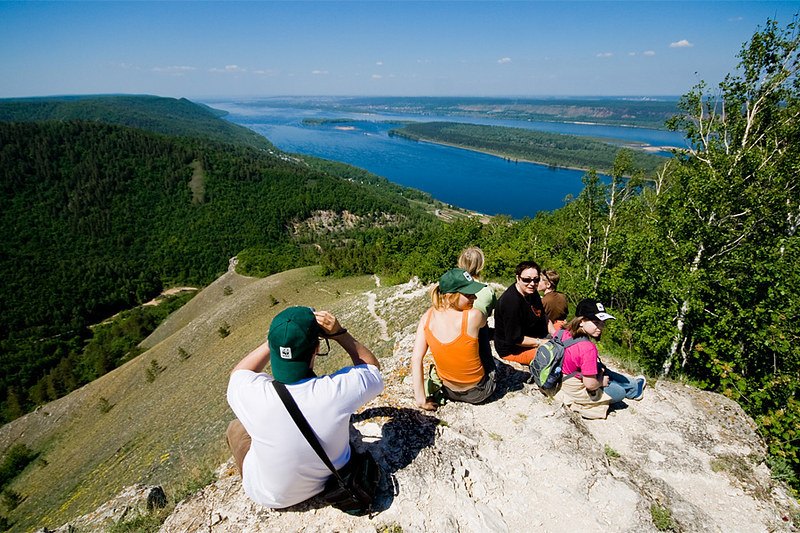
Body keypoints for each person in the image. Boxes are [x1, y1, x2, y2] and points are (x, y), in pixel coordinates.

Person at [226, 306, 383, 509]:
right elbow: (371, 369)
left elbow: (238, 373)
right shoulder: (336, 392)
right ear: (316, 348)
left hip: (271, 496)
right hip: (331, 481)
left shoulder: (249, 392)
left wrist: (277, 337)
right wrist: (340, 334)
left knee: (236, 427)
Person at [411, 268, 497, 410]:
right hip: (479, 392)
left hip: (448, 391)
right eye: (468, 295)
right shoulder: (473, 315)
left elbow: (416, 359)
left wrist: (421, 400)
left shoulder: (427, 317)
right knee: (482, 329)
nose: (474, 298)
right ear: (450, 297)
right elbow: (482, 323)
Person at [556, 299, 646, 419]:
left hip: (560, 376)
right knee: (619, 392)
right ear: (581, 322)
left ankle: (634, 386)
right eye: (596, 322)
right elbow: (590, 384)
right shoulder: (588, 348)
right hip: (574, 388)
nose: (601, 327)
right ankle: (633, 388)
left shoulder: (563, 331)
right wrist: (601, 381)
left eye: (602, 323)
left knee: (600, 368)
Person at [493, 261, 549, 365]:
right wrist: (540, 342)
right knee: (551, 354)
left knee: (563, 328)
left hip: (531, 335)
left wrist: (556, 334)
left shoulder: (532, 292)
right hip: (513, 350)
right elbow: (515, 339)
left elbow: (543, 316)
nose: (532, 284)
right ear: (518, 278)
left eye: (536, 280)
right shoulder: (511, 303)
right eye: (526, 280)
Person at [457, 247, 497, 370]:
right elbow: (489, 314)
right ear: (481, 266)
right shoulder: (487, 290)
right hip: (479, 338)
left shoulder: (453, 289)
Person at [539, 269, 568, 334]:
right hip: (562, 329)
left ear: (548, 285)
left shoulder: (543, 301)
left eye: (539, 280)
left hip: (548, 331)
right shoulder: (563, 296)